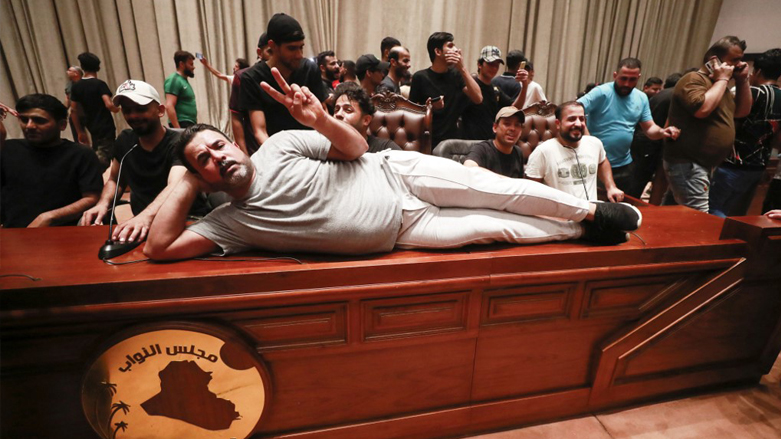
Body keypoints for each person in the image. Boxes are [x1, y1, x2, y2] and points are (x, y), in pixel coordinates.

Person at [143, 67, 643, 261]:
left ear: (234, 144)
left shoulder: (275, 147)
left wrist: (320, 120)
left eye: (217, 146)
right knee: (501, 229)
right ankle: (580, 235)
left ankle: (590, 213)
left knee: (502, 192)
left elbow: (357, 150)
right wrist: (183, 180)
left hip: (398, 173)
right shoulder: (228, 223)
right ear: (200, 176)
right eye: (203, 162)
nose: (218, 158)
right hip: (403, 230)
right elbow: (160, 249)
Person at [80, 80, 209, 243]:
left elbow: (175, 187)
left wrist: (145, 217)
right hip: (143, 223)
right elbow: (115, 180)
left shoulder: (181, 142)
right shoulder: (125, 140)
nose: (133, 116)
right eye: (127, 110)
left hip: (188, 219)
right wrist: (103, 204)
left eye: (141, 109)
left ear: (160, 111)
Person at [662, 36, 752, 212]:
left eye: (741, 59)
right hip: (688, 163)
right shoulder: (693, 79)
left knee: (673, 214)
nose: (739, 65)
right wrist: (722, 79)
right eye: (734, 60)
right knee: (698, 218)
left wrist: (742, 80)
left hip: (701, 164)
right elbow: (702, 109)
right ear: (714, 61)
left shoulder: (719, 87)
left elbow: (742, 111)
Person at [577, 58, 680, 191]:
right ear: (615, 75)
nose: (626, 83)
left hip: (624, 165)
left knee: (621, 205)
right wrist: (587, 136)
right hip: (595, 163)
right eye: (623, 78)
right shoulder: (601, 92)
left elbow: (649, 128)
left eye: (632, 80)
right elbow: (573, 110)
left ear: (639, 77)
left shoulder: (641, 97)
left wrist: (663, 132)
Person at [1, 94, 103, 227]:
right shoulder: (7, 149)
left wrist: (49, 217)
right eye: (24, 120)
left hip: (64, 232)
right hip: (14, 234)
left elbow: (91, 197)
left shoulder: (81, 154)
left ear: (62, 125)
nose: (30, 126)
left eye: (39, 120)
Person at [709, 48, 781, 217]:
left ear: (758, 71)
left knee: (713, 208)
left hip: (732, 162)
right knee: (738, 212)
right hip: (758, 165)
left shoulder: (747, 92)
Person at [239, 13, 326, 146]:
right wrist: (281, 159)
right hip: (278, 150)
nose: (299, 55)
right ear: (272, 45)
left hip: (314, 147)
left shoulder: (310, 69)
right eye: (292, 48)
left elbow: (323, 115)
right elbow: (260, 131)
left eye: (301, 47)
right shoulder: (251, 78)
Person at [525, 101, 623, 202]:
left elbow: (602, 161)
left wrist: (611, 187)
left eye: (581, 119)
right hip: (559, 216)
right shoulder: (542, 152)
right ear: (558, 124)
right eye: (571, 119)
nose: (578, 124)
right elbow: (531, 194)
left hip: (593, 211)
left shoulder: (595, 143)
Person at [409, 32, 482, 147]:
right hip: (428, 138)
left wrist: (462, 68)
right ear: (438, 52)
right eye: (450, 46)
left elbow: (478, 98)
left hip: (452, 140)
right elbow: (410, 113)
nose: (457, 50)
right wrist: (429, 107)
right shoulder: (420, 77)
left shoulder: (456, 74)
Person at [627, 73, 683, 199]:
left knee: (638, 179)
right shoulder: (673, 96)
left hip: (647, 139)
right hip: (650, 141)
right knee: (639, 180)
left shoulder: (663, 94)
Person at [460, 46, 527, 140]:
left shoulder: (495, 89)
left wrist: (525, 85)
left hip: (489, 143)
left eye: (497, 65)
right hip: (468, 142)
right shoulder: (470, 86)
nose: (494, 68)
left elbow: (514, 108)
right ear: (480, 64)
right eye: (490, 64)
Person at [70, 52, 119, 168]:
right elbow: (108, 104)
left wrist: (79, 131)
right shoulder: (99, 84)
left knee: (99, 149)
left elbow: (73, 110)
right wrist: (117, 109)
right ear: (98, 67)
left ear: (82, 67)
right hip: (105, 124)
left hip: (90, 124)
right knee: (105, 155)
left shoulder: (76, 86)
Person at [229, 33, 271, 155]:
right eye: (270, 52)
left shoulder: (290, 73)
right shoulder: (243, 77)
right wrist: (244, 153)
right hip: (257, 150)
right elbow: (236, 117)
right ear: (260, 52)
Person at [332, 82, 402, 153]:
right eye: (336, 110)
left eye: (348, 110)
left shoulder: (385, 148)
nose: (338, 114)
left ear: (366, 120)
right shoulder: (326, 146)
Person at [463, 106, 525, 178]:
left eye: (517, 125)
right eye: (507, 124)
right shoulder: (482, 149)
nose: (512, 129)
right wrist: (507, 181)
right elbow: (469, 168)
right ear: (495, 127)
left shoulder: (518, 152)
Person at [164, 51, 198, 128]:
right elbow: (169, 106)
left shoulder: (183, 81)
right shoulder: (174, 80)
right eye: (191, 64)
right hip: (182, 123)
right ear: (182, 64)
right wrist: (178, 130)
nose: (193, 67)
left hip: (189, 123)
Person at [64, 65, 84, 140]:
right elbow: (67, 98)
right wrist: (64, 109)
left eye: (69, 71)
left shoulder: (84, 84)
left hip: (86, 113)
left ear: (76, 73)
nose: (67, 72)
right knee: (78, 138)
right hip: (75, 115)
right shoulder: (69, 85)